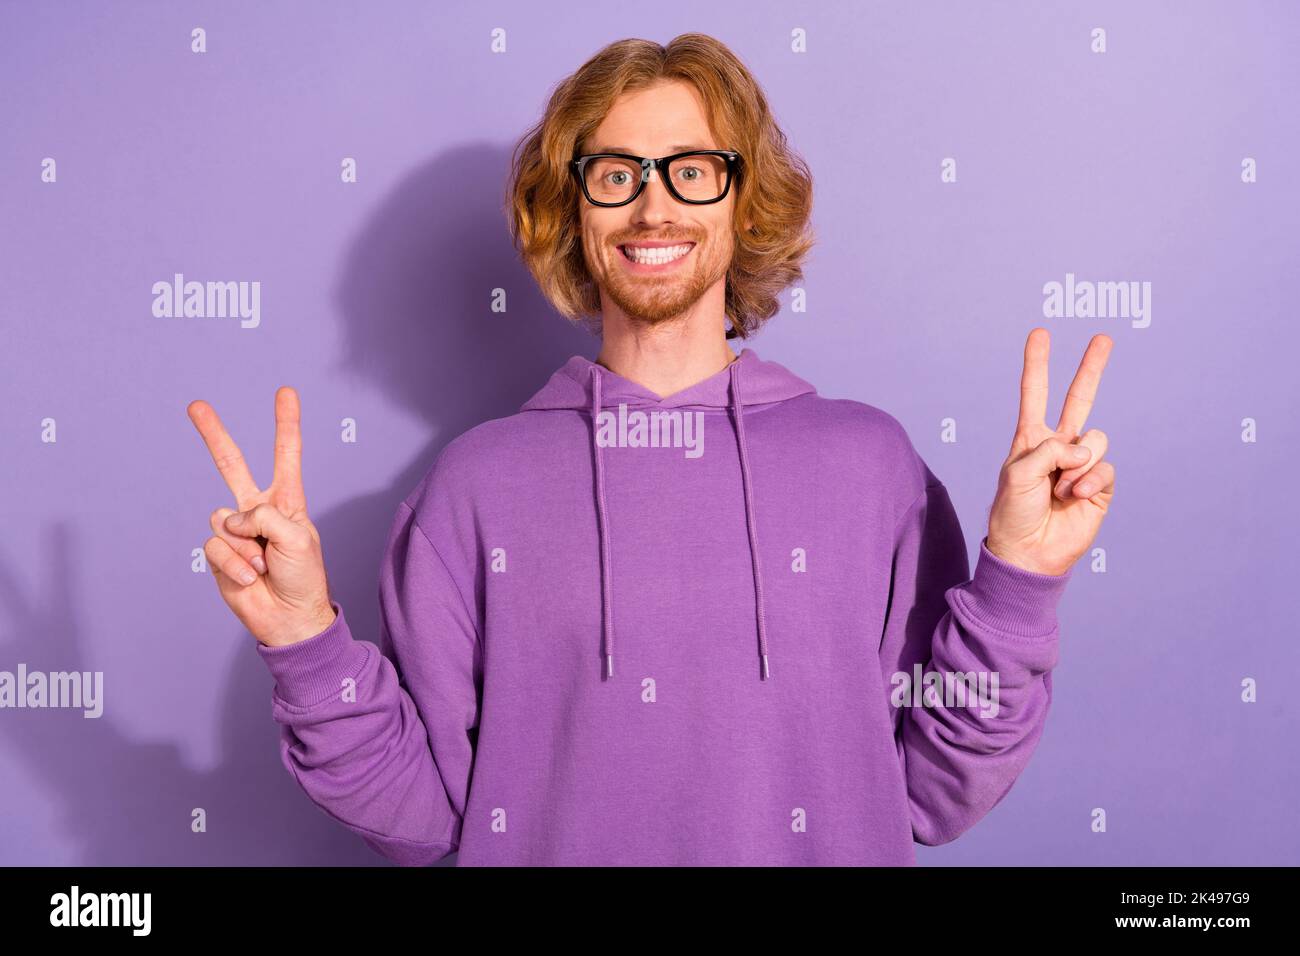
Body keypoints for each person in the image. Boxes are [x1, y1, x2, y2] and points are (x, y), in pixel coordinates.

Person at [187, 33, 1115, 866]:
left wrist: (1018, 585)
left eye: (691, 170)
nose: (652, 205)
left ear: (744, 201)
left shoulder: (873, 469)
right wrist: (302, 640)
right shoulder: (476, 487)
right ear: (573, 210)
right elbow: (423, 818)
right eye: (616, 172)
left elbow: (936, 795)